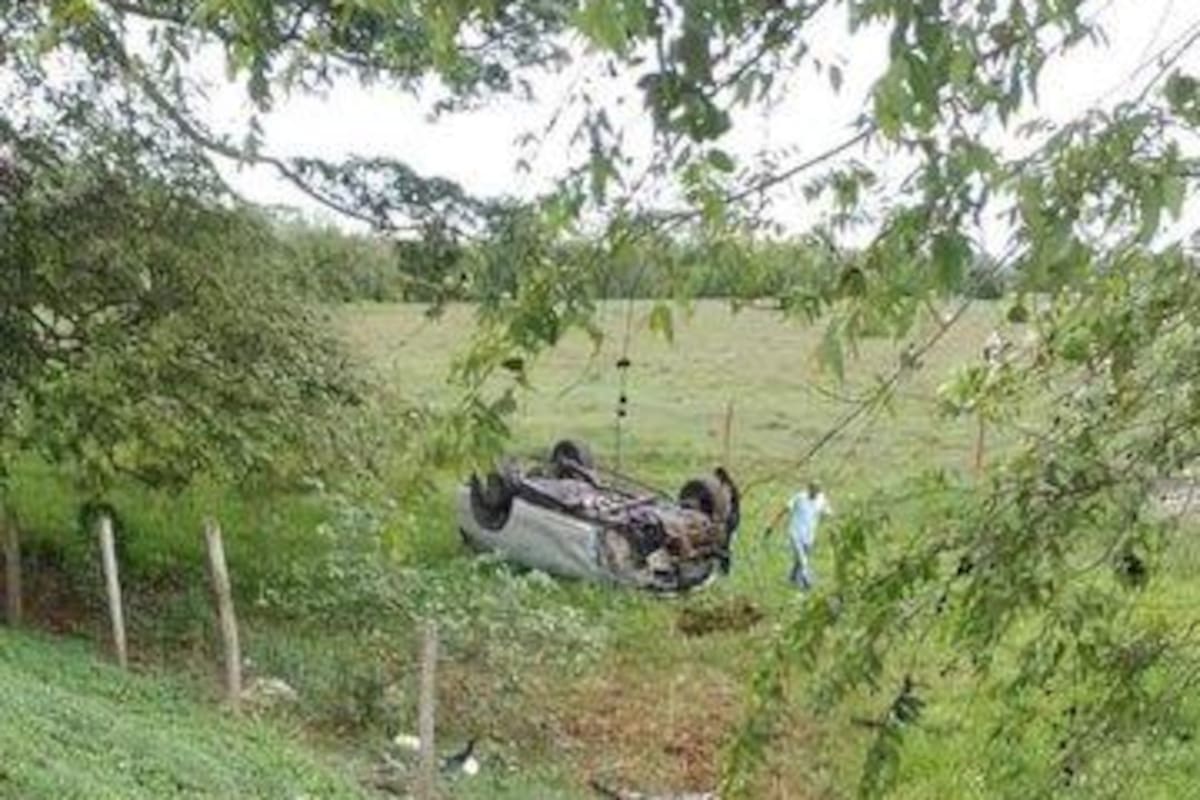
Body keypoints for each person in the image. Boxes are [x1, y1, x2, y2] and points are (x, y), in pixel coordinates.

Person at [787, 483, 832, 590]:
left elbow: (828, 513)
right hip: (795, 533)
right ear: (809, 489)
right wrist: (772, 525)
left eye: (816, 491)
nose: (814, 493)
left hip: (809, 535)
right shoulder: (799, 497)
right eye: (812, 490)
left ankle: (792, 577)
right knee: (803, 560)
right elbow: (786, 508)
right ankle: (806, 582)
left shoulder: (821, 500)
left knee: (801, 559)